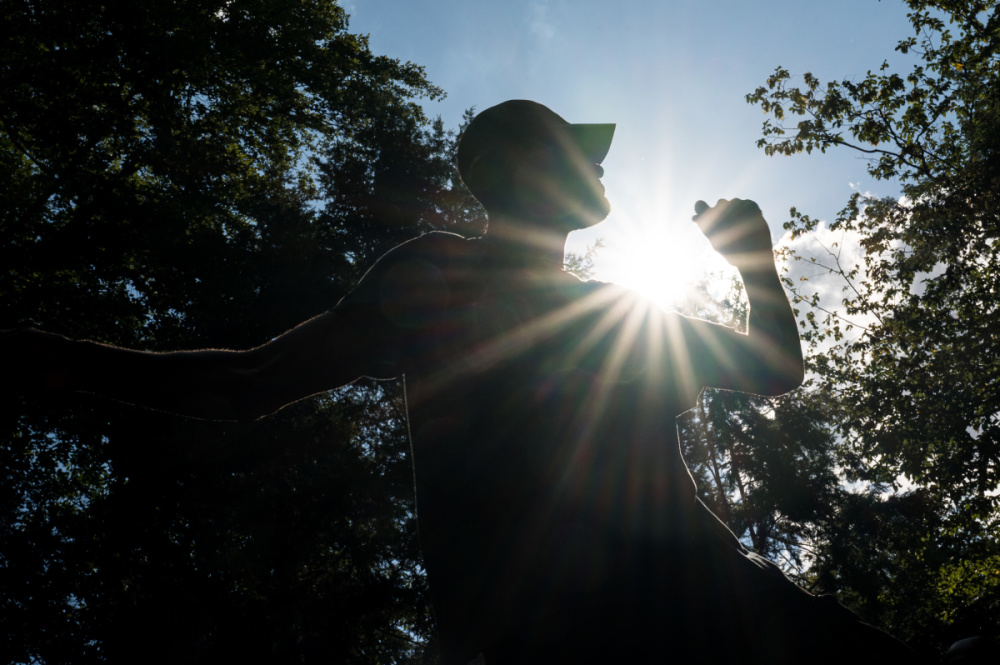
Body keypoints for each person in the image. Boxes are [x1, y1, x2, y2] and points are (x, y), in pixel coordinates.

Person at [5, 100, 924, 664]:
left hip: (718, 599)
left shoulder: (620, 311)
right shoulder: (440, 274)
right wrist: (61, 357)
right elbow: (253, 381)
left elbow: (773, 370)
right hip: (566, 631)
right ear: (522, 167)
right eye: (577, 146)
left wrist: (752, 260)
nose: (599, 161)